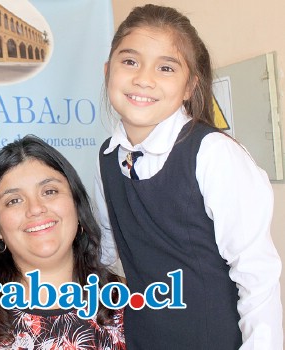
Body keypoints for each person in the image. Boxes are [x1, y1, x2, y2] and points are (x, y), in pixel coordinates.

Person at [94, 4, 282, 349]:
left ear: (188, 87)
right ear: (108, 71)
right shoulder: (107, 157)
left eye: (166, 67)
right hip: (144, 338)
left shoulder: (213, 153)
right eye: (130, 61)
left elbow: (257, 277)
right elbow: (105, 246)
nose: (143, 78)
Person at [0, 135, 126, 349]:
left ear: (77, 204)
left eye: (49, 191)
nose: (35, 208)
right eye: (14, 201)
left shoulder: (126, 301)